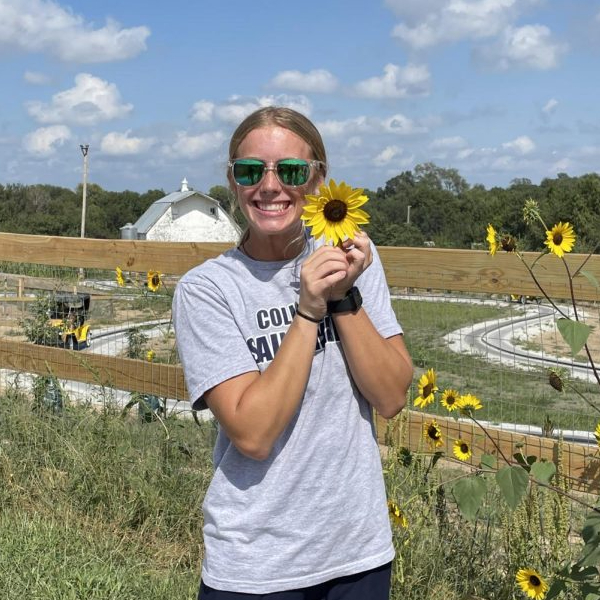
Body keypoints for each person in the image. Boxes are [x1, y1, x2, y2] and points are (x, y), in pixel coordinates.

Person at [173, 106, 414, 599]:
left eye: (290, 171)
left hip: (358, 552)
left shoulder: (355, 260)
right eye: (249, 171)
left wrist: (344, 294)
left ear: (319, 180)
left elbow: (391, 396)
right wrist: (307, 312)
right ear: (233, 182)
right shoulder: (208, 290)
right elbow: (254, 433)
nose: (269, 186)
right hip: (257, 565)